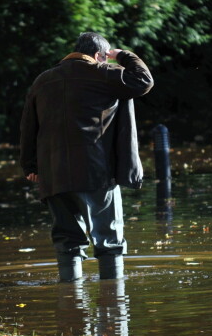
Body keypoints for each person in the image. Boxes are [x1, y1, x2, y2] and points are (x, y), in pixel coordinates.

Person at [20, 32, 154, 281]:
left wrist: (30, 165)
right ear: (98, 56)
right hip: (95, 172)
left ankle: (70, 300)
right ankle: (114, 305)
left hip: (53, 175)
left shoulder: (42, 81)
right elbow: (143, 81)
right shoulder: (103, 73)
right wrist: (123, 55)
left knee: (67, 239)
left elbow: (28, 126)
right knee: (109, 240)